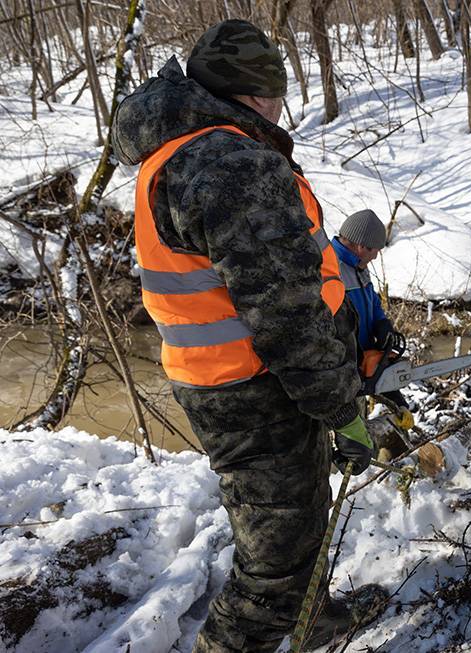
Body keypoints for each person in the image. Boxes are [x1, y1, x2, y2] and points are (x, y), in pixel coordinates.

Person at [113, 19, 385, 653]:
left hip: (234, 380)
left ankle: (311, 618)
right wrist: (341, 408)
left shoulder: (181, 151)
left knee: (297, 521)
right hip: (254, 390)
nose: (281, 107)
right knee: (272, 571)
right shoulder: (230, 163)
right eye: (278, 93)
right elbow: (286, 315)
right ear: (258, 94)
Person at [332, 211, 414, 436]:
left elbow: (372, 302)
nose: (376, 257)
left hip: (359, 373)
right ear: (361, 246)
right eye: (375, 250)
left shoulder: (358, 267)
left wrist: (381, 323)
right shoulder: (329, 269)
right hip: (338, 379)